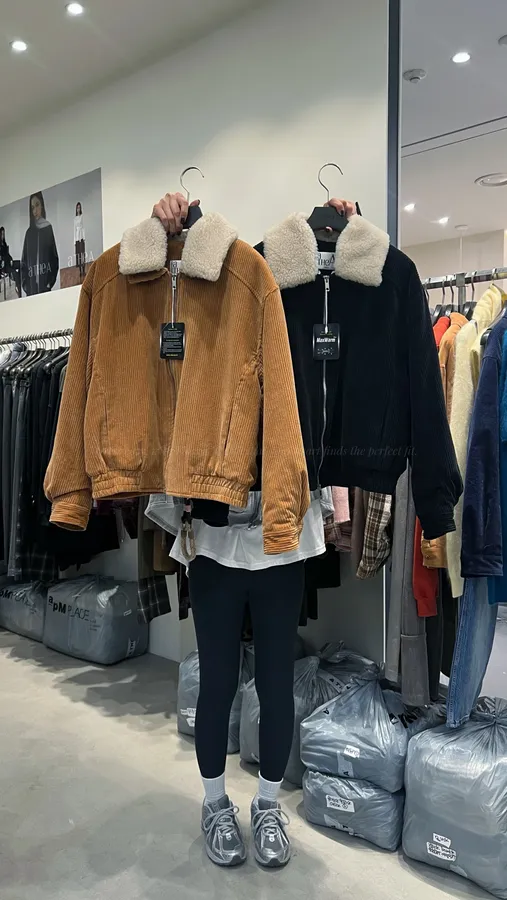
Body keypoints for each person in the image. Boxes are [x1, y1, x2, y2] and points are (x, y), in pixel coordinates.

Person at [152, 191, 356, 869]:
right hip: (214, 527)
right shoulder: (209, 295)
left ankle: (268, 805)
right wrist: (178, 221)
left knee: (274, 679)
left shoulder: (289, 290)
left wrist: (333, 220)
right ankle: (215, 802)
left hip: (280, 528)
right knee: (216, 679)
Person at [21, 191, 59, 296]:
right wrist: (26, 286)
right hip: (31, 292)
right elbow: (23, 263)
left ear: (42, 205)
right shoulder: (29, 233)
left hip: (45, 290)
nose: (35, 211)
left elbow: (54, 259)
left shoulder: (48, 228)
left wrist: (50, 283)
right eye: (32, 207)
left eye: (37, 205)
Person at [74, 201, 86, 281]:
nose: (78, 209)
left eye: (79, 207)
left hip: (81, 236)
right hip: (77, 238)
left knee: (83, 254)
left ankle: (84, 270)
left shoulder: (82, 216)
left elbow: (83, 227)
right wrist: (74, 241)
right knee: (78, 255)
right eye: (77, 208)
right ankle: (80, 271)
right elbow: (74, 229)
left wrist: (84, 238)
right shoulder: (75, 219)